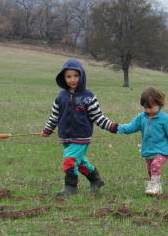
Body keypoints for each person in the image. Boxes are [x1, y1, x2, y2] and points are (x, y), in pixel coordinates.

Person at [41, 58, 119, 196]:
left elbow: (97, 117)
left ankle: (70, 187)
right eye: (69, 76)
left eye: (76, 76)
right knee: (79, 162)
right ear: (63, 78)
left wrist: (111, 126)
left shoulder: (88, 97)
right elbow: (54, 116)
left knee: (70, 160)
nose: (73, 79)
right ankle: (96, 180)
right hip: (66, 137)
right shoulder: (61, 97)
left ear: (82, 76)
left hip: (81, 136)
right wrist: (48, 129)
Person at [117, 87, 168, 195]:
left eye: (151, 108)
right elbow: (131, 127)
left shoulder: (166, 119)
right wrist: (120, 128)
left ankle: (154, 184)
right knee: (150, 170)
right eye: (145, 107)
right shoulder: (141, 117)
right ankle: (155, 186)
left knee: (156, 164)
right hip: (148, 150)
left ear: (159, 104)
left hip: (162, 151)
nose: (147, 110)